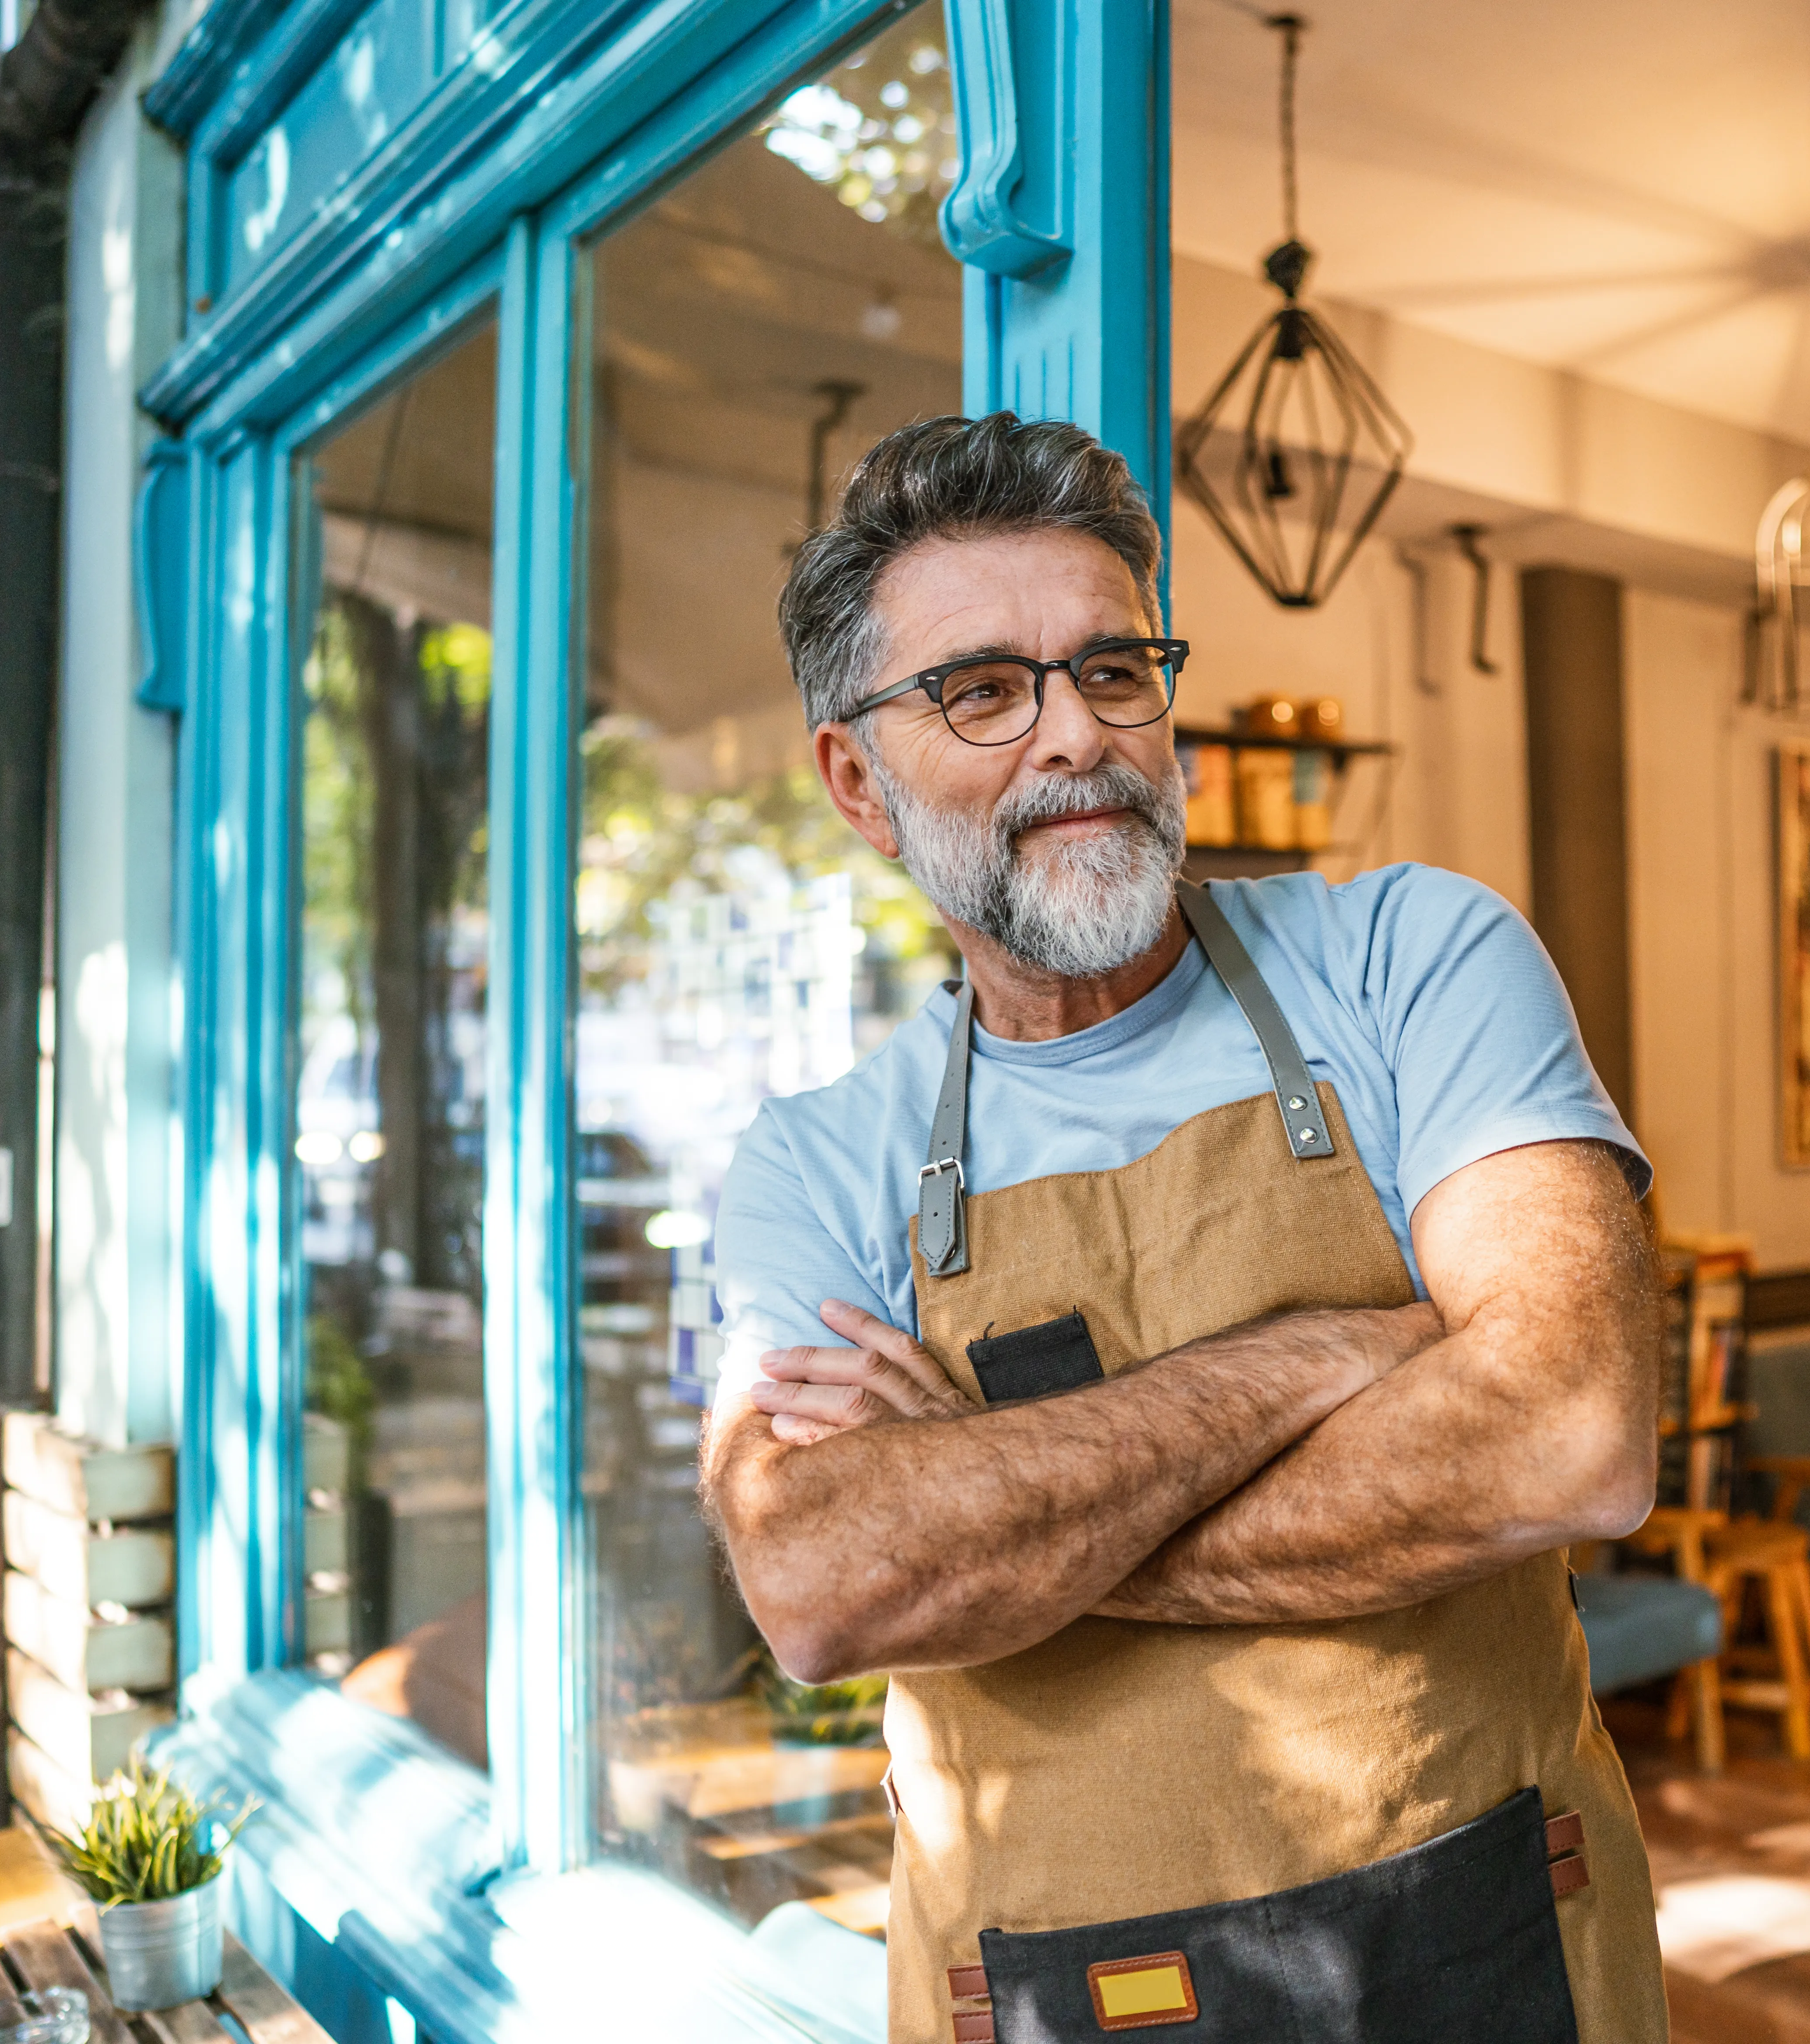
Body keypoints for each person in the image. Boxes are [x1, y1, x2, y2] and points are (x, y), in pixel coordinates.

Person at [705, 411, 1670, 2044]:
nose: (1073, 735)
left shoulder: (1408, 959)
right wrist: (1319, 1358)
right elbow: (822, 1584)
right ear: (859, 782)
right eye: (984, 692)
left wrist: (1001, 1530)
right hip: (1040, 2000)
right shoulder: (818, 1162)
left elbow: (1571, 1435)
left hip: (1481, 1942)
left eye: (1112, 669)